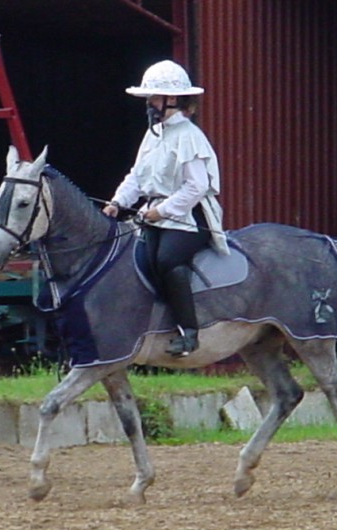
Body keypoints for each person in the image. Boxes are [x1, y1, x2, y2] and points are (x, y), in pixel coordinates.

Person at [102, 60, 229, 357]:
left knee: (167, 260)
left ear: (172, 99)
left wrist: (162, 212)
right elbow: (137, 176)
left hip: (190, 216)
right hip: (156, 214)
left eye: (154, 97)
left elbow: (196, 187)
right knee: (139, 258)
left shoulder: (189, 135)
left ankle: (190, 332)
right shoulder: (153, 134)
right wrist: (118, 202)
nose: (149, 103)